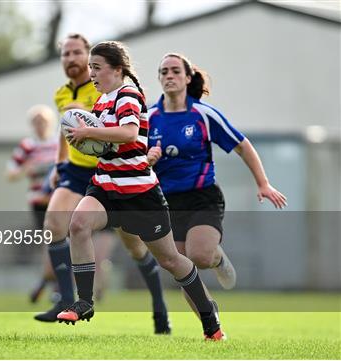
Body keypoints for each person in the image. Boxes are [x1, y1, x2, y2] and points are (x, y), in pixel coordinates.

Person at [57, 41, 225, 340]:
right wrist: (84, 142)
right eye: (90, 67)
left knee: (171, 260)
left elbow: (129, 133)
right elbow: (110, 146)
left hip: (139, 195)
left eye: (96, 67)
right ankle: (84, 302)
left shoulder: (128, 96)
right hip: (106, 186)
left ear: (117, 69)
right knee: (78, 224)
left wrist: (88, 132)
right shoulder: (102, 102)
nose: (90, 73)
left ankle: (209, 319)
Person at [35, 34, 171, 335]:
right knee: (56, 224)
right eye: (65, 54)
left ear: (88, 56)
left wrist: (148, 151)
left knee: (136, 247)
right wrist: (59, 165)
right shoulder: (61, 94)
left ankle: (159, 306)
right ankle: (68, 301)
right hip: (78, 173)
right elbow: (64, 129)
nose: (71, 58)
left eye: (76, 53)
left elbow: (132, 128)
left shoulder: (108, 89)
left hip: (114, 174)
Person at [146, 53, 288, 294]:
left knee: (200, 257)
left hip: (202, 196)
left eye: (176, 71)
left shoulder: (203, 114)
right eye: (164, 72)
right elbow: (132, 163)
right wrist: (148, 161)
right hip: (166, 201)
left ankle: (216, 258)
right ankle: (210, 322)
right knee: (181, 268)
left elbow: (242, 146)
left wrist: (263, 184)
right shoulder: (148, 118)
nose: (169, 75)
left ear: (188, 78)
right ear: (159, 78)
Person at [5, 105, 59, 303]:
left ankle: (48, 283)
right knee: (51, 242)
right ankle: (52, 284)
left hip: (60, 200)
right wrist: (25, 170)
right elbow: (10, 174)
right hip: (39, 203)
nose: (39, 125)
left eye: (43, 121)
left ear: (50, 122)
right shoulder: (27, 146)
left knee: (59, 242)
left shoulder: (58, 143)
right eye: (36, 122)